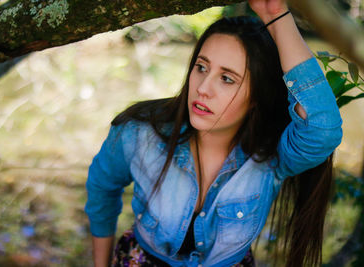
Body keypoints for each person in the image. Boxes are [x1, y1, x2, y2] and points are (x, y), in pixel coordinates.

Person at [85, 0, 343, 266]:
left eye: (227, 78)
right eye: (202, 67)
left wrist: (277, 15)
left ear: (257, 96)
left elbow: (322, 129)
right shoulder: (138, 133)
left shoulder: (273, 157)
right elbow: (102, 190)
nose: (203, 88)